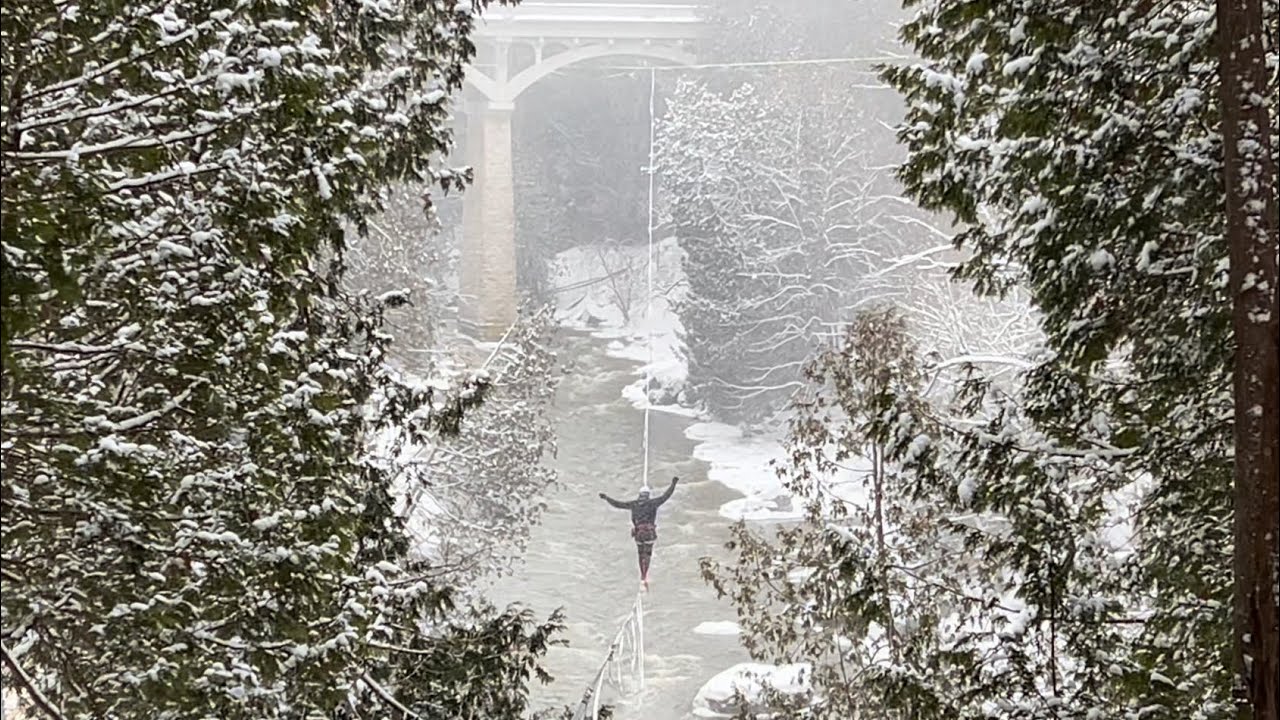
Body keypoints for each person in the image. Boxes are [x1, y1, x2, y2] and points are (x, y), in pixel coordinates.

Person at [600, 476, 679, 589]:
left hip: (639, 534)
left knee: (640, 554)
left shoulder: (634, 504)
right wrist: (673, 484)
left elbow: (618, 504)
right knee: (647, 554)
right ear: (647, 495)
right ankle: (644, 576)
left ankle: (643, 576)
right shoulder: (653, 503)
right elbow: (666, 496)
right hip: (649, 533)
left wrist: (606, 498)